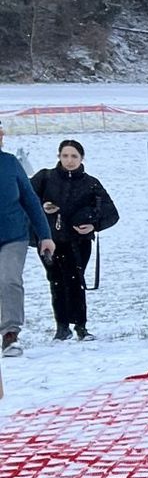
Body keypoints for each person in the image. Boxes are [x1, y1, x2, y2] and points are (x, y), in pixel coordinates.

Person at [30, 139, 119, 341]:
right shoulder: (45, 178)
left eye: (74, 156)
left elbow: (112, 213)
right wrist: (43, 207)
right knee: (56, 281)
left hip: (78, 243)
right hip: (49, 240)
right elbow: (27, 199)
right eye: (65, 156)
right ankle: (62, 326)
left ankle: (80, 326)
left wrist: (93, 225)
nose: (69, 161)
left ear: (81, 158)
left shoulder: (91, 183)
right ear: (59, 156)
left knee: (75, 280)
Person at [0, 120, 56, 357]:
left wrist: (45, 235)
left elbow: (31, 201)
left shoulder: (10, 163)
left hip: (13, 236)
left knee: (9, 280)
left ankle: (10, 334)